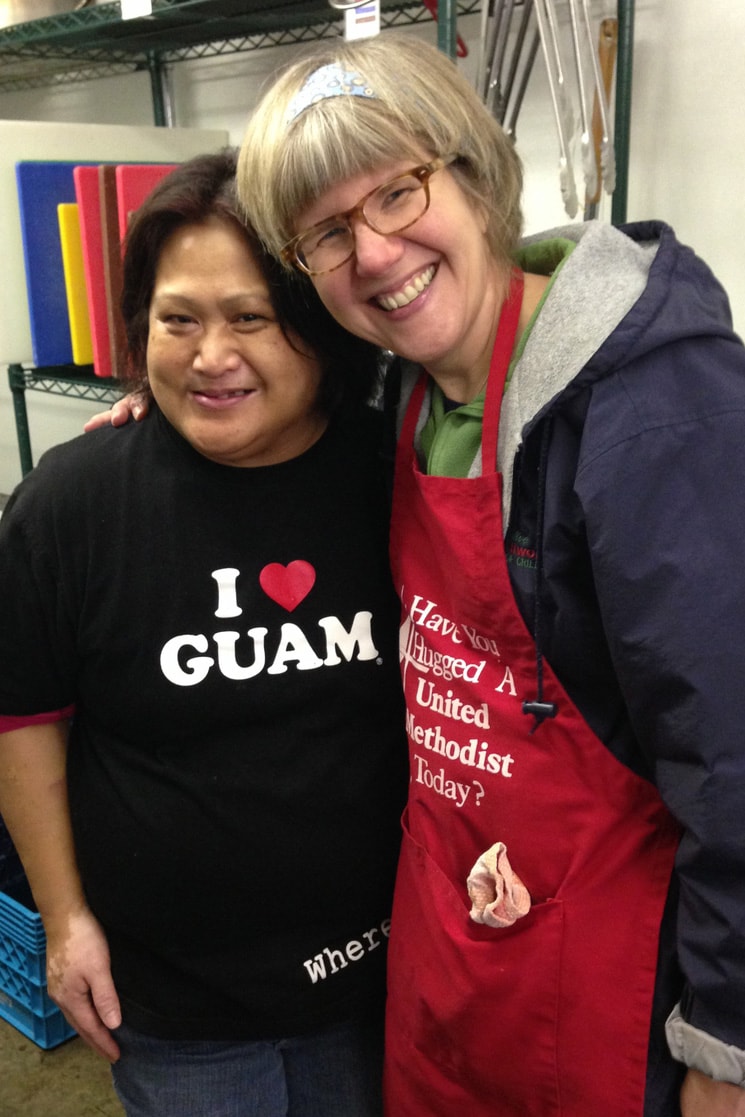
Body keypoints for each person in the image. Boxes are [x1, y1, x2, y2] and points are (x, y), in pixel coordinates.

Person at [231, 32, 745, 1117]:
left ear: (473, 174)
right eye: (327, 233)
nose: (375, 254)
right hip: (452, 959)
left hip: (610, 984)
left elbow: (732, 753)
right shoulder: (404, 391)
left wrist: (726, 1044)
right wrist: (173, 416)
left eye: (398, 191)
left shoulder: (657, 405)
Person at [0, 150, 407, 1117]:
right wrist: (65, 921)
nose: (209, 355)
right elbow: (21, 718)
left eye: (250, 318)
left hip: (388, 974)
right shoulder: (72, 503)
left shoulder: (398, 479)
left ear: (319, 328)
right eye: (177, 319)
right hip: (175, 1009)